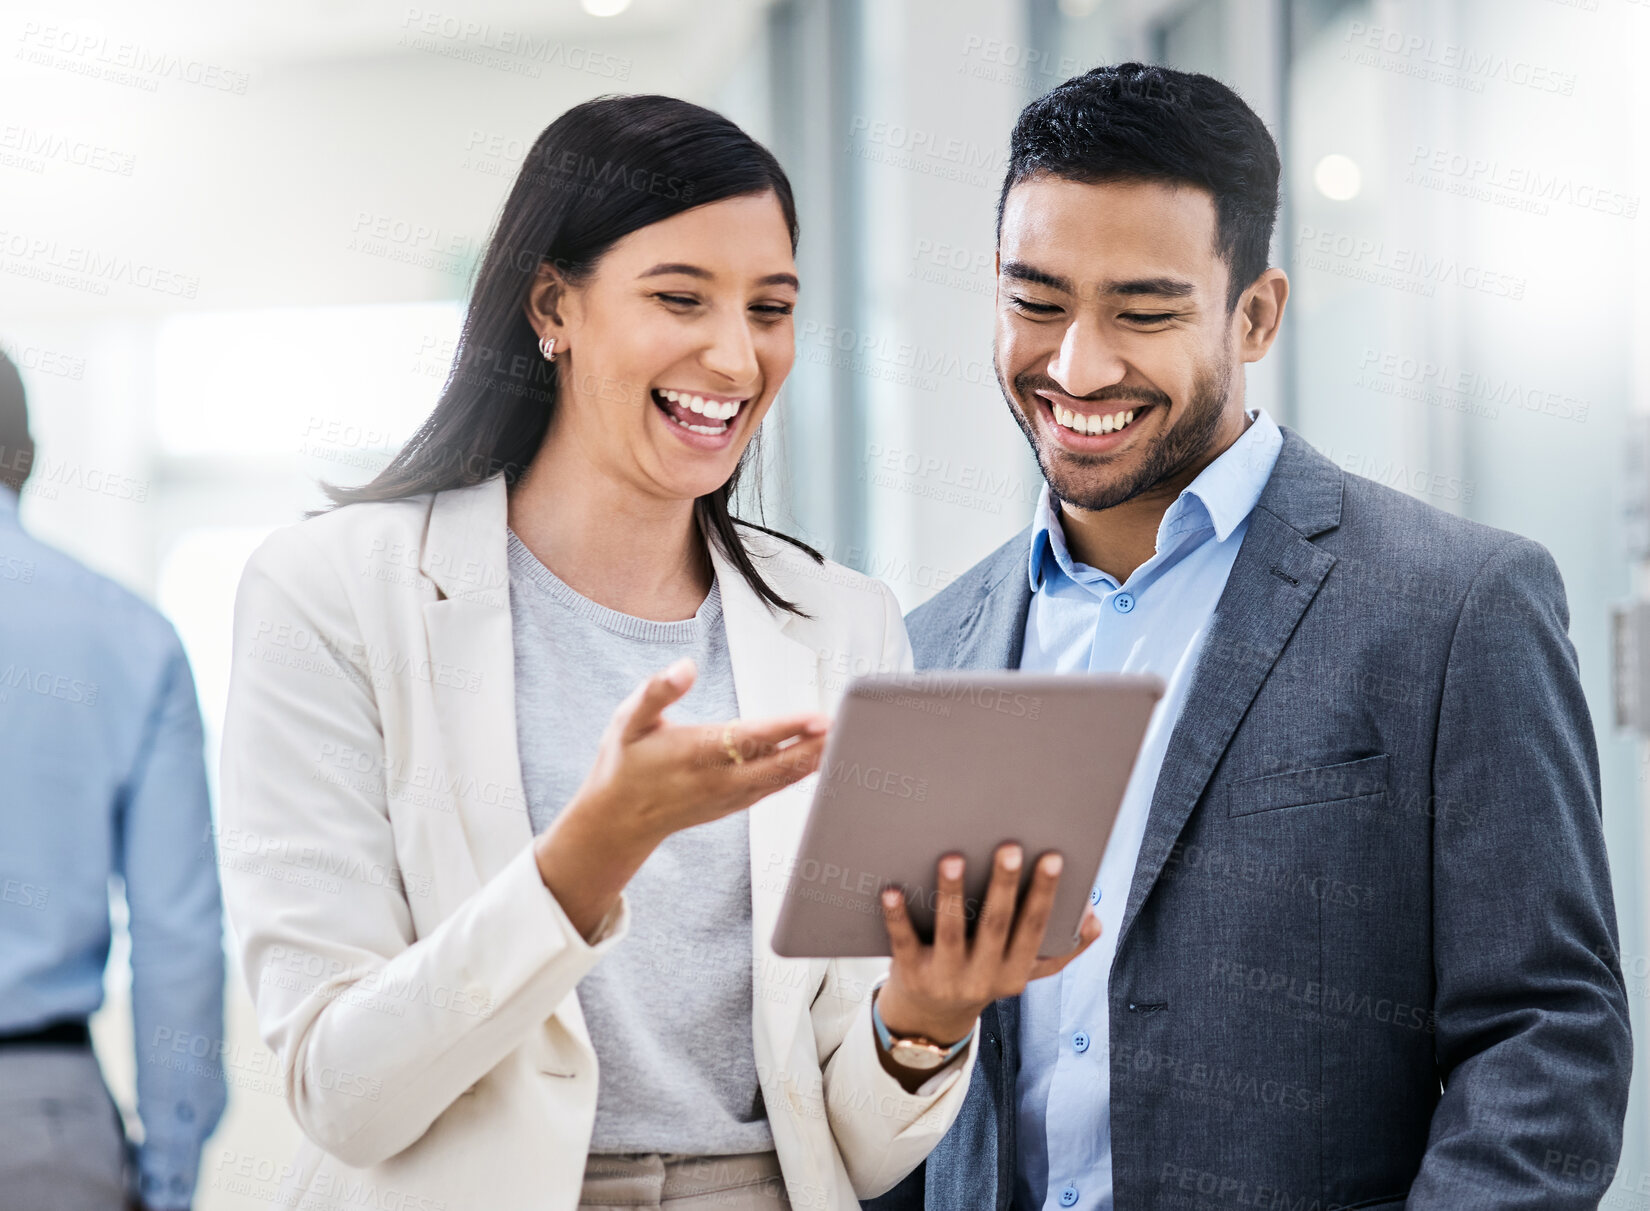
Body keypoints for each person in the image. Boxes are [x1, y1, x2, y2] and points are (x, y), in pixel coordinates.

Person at [218, 95, 1099, 1211]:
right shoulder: (332, 594)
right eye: (680, 297)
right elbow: (339, 1090)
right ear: (554, 304)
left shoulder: (846, 625)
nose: (735, 356)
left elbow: (855, 1151)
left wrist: (925, 1018)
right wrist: (585, 857)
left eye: (770, 308)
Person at [872, 63, 1632, 1211]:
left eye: (1143, 311)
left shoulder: (1458, 605)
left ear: (1257, 313)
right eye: (1037, 303)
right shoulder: (928, 650)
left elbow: (1548, 1041)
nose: (1077, 365)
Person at [0, 350, 227, 1210]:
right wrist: (165, 1179)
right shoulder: (131, 637)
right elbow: (178, 937)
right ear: (27, 458)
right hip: (42, 1131)